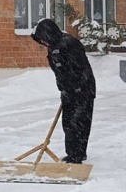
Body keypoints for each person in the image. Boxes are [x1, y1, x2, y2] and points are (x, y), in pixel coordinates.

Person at [31, 18, 96, 164]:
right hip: (69, 91)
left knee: (78, 122)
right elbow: (60, 73)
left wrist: (76, 88)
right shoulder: (53, 48)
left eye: (43, 39)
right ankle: (73, 153)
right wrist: (63, 90)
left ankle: (77, 155)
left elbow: (79, 69)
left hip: (83, 89)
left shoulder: (69, 44)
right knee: (68, 122)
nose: (43, 43)